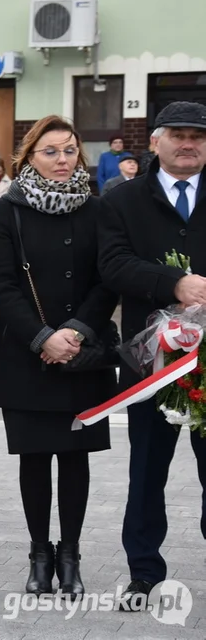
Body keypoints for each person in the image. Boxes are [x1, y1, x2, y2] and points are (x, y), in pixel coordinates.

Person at [0, 115, 119, 597]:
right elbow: (1, 284)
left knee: (76, 457)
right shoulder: (8, 210)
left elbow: (108, 278)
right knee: (36, 458)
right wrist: (43, 336)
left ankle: (71, 555)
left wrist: (77, 331)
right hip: (29, 353)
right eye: (51, 152)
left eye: (69, 150)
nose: (62, 160)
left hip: (84, 353)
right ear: (29, 157)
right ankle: (39, 553)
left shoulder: (99, 209)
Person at [97, 101, 206, 610]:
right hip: (151, 358)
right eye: (179, 135)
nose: (189, 144)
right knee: (147, 471)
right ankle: (143, 572)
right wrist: (175, 283)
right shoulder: (122, 200)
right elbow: (113, 264)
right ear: (156, 141)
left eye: (198, 137)